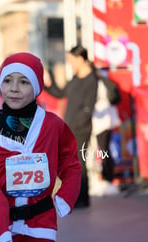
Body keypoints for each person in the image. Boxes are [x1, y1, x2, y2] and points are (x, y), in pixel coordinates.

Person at [0, 52, 81, 242]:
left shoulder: (52, 125)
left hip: (40, 221)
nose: (14, 88)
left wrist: (65, 196)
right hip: (0, 224)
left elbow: (71, 163)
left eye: (24, 82)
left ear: (37, 86)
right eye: (8, 80)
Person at [43, 44, 97, 208]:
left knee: (79, 162)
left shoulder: (91, 80)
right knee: (72, 163)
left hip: (80, 129)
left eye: (71, 60)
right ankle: (77, 197)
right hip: (70, 128)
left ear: (80, 59)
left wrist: (74, 126)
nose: (70, 64)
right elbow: (60, 93)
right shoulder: (75, 78)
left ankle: (82, 199)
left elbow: (88, 109)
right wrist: (47, 83)